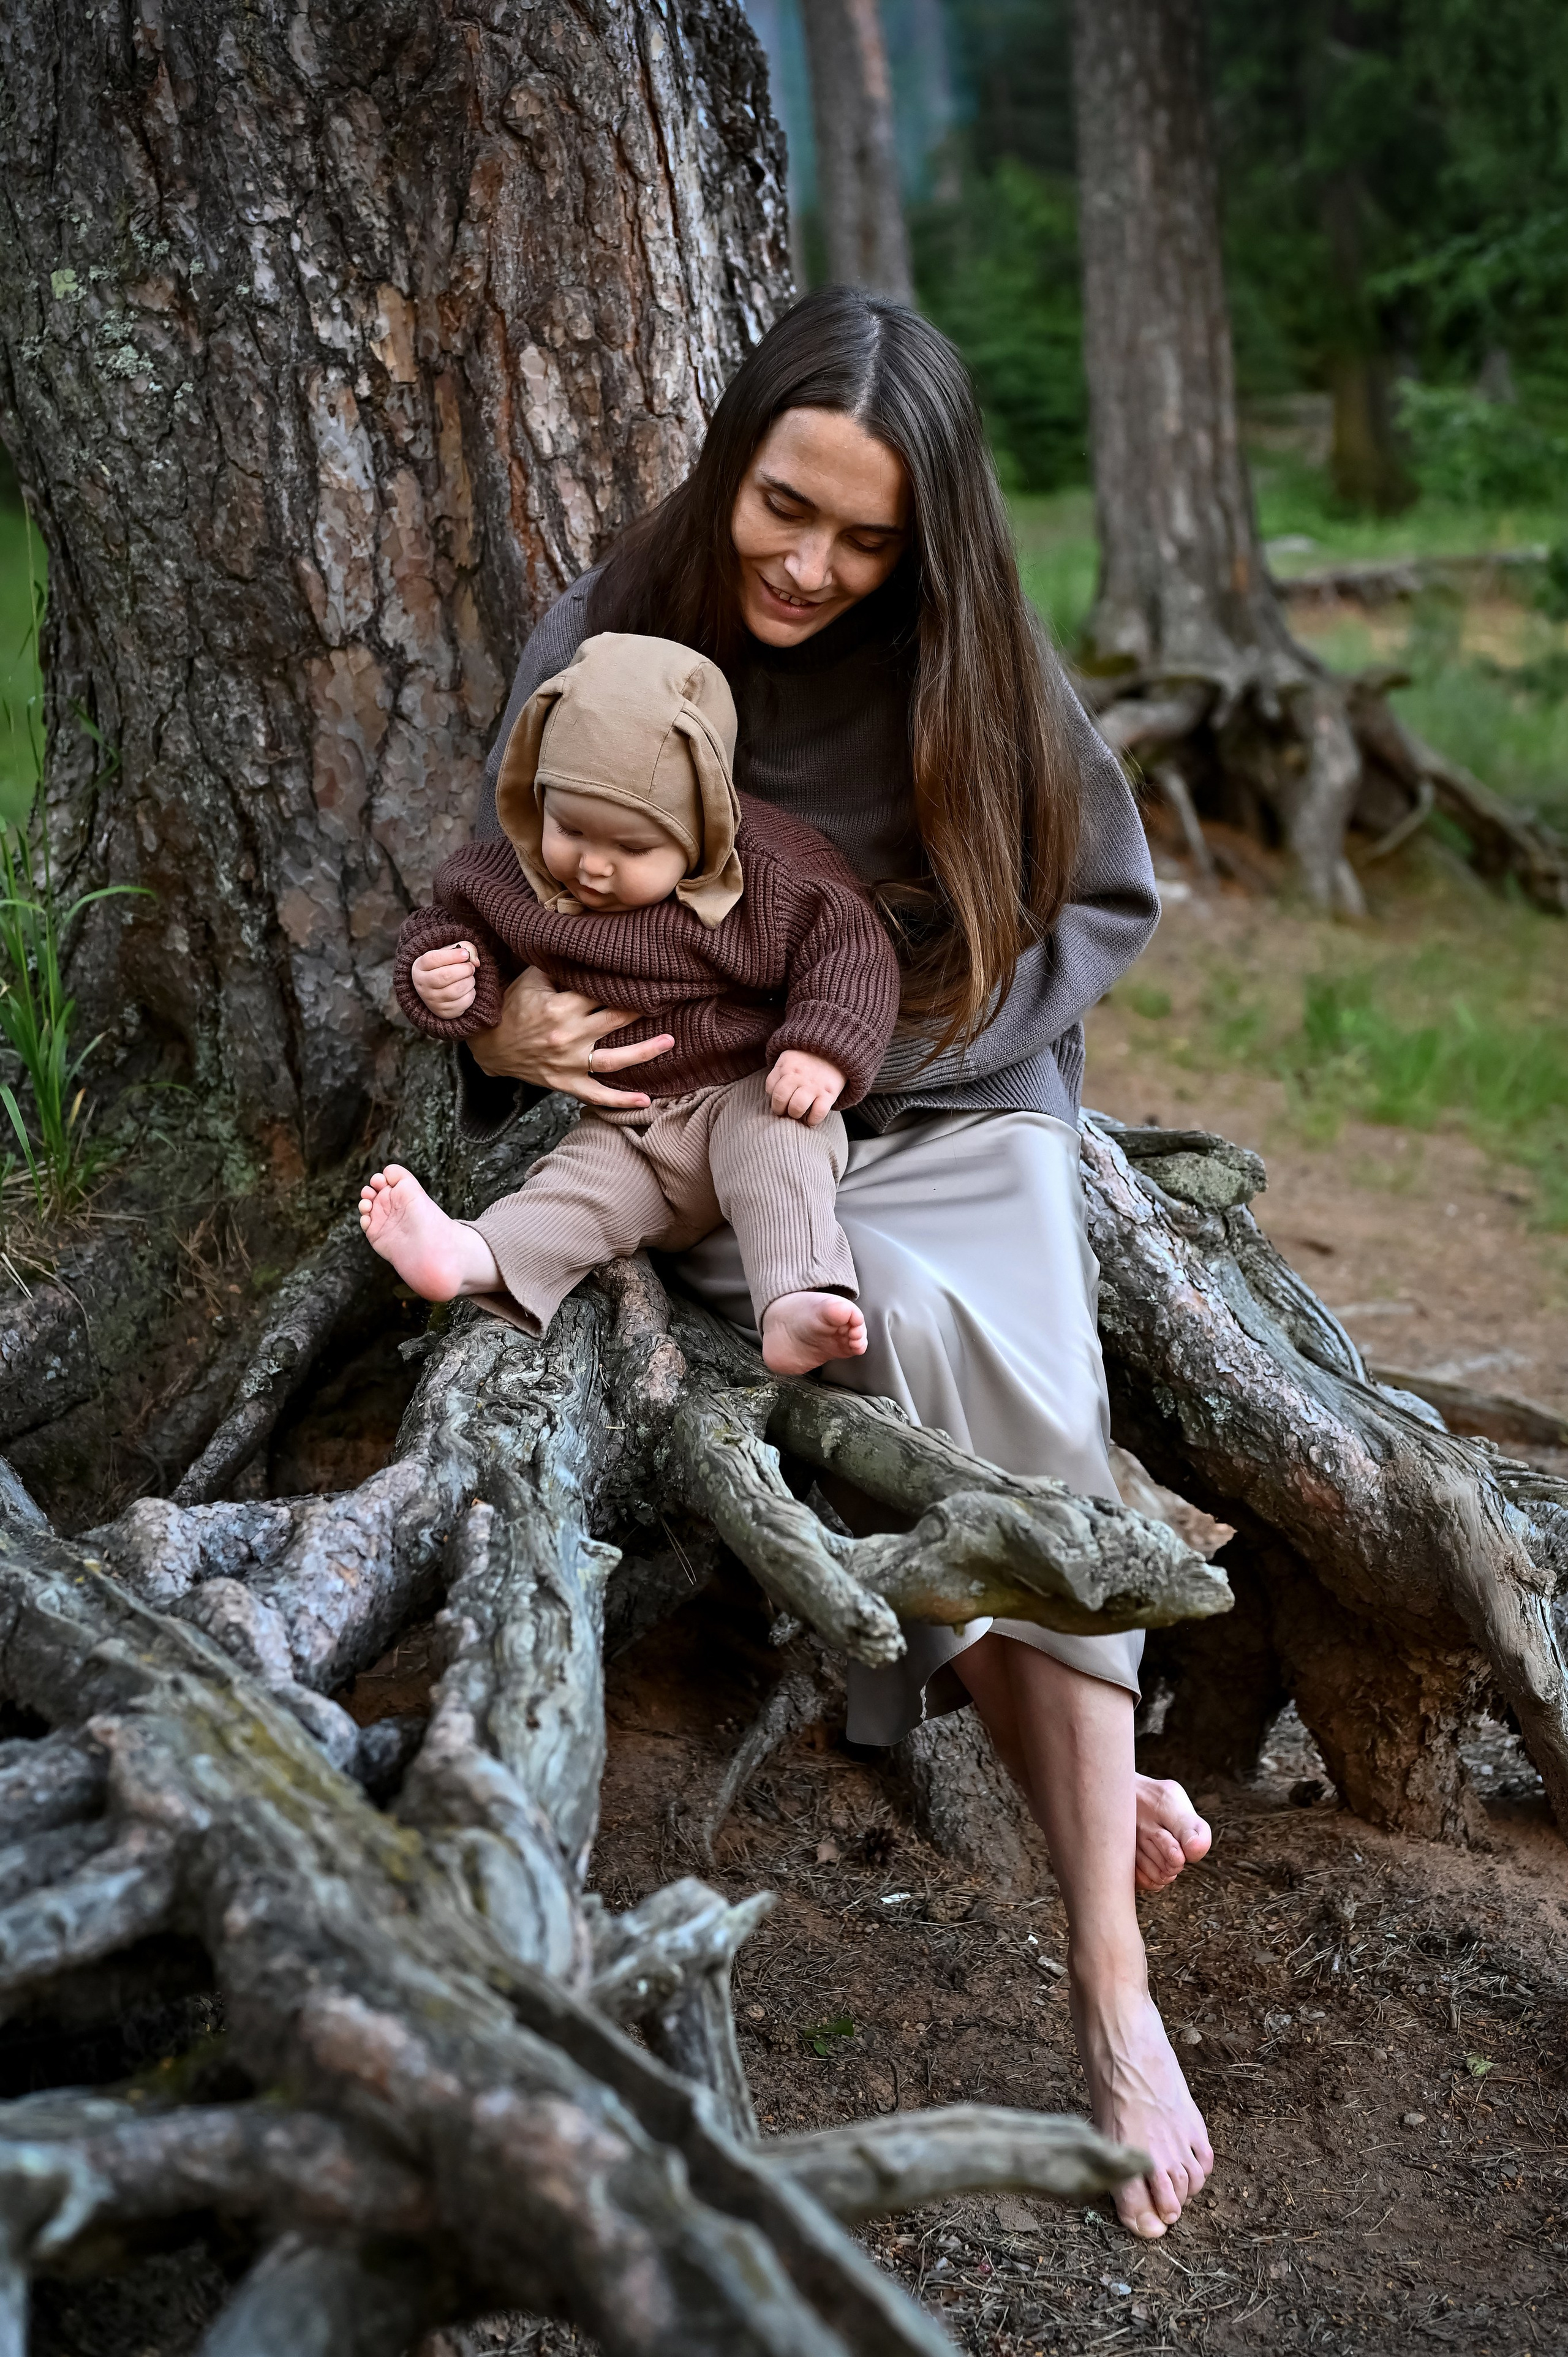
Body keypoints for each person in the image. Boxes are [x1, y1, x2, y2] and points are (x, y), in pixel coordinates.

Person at [452, 287, 1215, 2239]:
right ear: (733, 463)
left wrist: (897, 1056)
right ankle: (1088, 1770)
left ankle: (1108, 1978)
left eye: (865, 538)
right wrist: (508, 1028)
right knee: (877, 1344)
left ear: (924, 540)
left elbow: (1102, 898)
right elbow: (517, 880)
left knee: (1019, 1375)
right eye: (784, 508)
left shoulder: (972, 657)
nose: (808, 566)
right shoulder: (617, 629)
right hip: (731, 1130)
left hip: (951, 1087)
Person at [361, 630, 900, 1375]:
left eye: (633, 848)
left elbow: (850, 946)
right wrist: (446, 978)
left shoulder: (772, 878)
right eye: (570, 829)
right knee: (572, 1192)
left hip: (743, 1091)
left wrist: (821, 1048)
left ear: (704, 826)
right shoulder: (515, 877)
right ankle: (466, 1253)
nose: (592, 865)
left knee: (783, 1152)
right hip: (623, 1124)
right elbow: (454, 926)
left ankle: (795, 1296)